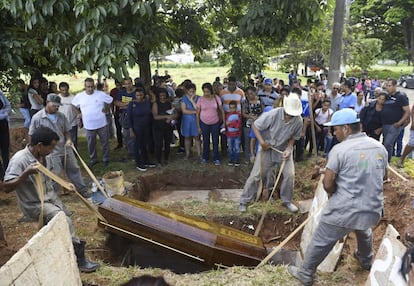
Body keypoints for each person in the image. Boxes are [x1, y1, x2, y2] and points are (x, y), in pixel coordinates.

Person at [288, 108, 388, 286]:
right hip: (373, 209)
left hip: (345, 209)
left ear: (347, 128)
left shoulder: (339, 150)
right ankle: (366, 260)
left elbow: (328, 183)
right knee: (363, 229)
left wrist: (334, 194)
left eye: (335, 129)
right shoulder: (379, 147)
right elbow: (384, 177)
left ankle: (305, 273)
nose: (333, 133)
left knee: (321, 239)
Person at [2, 127, 99, 272]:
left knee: (65, 216)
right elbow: (6, 187)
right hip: (34, 204)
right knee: (63, 219)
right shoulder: (20, 160)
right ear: (40, 145)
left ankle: (60, 251)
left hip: (51, 198)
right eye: (51, 147)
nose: (53, 150)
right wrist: (26, 173)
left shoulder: (44, 157)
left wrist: (65, 184)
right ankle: (79, 261)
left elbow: (49, 177)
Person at [239, 95, 303, 213]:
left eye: (292, 114)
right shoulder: (273, 114)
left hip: (283, 150)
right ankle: (244, 201)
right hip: (267, 148)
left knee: (290, 175)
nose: (289, 115)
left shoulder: (298, 121)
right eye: (288, 113)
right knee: (256, 175)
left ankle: (286, 201)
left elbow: (294, 137)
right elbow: (255, 126)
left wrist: (289, 149)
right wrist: (262, 143)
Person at [29, 94, 91, 198]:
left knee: (74, 168)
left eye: (58, 106)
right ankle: (54, 196)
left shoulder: (61, 116)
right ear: (47, 103)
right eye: (55, 106)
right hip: (50, 152)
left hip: (65, 148)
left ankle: (82, 190)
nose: (57, 108)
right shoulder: (37, 118)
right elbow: (32, 135)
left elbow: (67, 130)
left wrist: (69, 140)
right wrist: (36, 152)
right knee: (55, 174)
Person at [72, 78, 113, 167]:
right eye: (88, 87)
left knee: (105, 142)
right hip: (89, 125)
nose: (90, 89)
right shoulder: (80, 96)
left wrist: (106, 109)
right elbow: (73, 105)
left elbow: (110, 100)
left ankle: (106, 158)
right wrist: (79, 113)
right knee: (91, 143)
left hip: (102, 123)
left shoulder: (100, 94)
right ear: (85, 86)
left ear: (94, 86)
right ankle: (93, 159)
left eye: (92, 87)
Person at [382, 78, 410, 162]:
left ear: (395, 86)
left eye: (389, 85)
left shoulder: (401, 96)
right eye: (386, 85)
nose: (387, 87)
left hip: (394, 125)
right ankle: (383, 161)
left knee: (388, 144)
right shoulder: (388, 96)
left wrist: (400, 123)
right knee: (384, 144)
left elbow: (407, 112)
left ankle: (387, 162)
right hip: (385, 124)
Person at [127, 88, 154, 171]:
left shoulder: (146, 102)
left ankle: (146, 161)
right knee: (137, 145)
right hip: (136, 128)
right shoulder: (132, 104)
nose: (139, 97)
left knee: (145, 144)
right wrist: (131, 130)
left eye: (141, 95)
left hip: (146, 127)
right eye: (137, 95)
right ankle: (138, 163)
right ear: (135, 95)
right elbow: (129, 118)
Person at [196, 83, 224, 165]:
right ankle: (205, 157)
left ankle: (216, 158)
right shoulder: (200, 99)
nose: (206, 94)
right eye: (204, 92)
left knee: (215, 140)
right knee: (206, 140)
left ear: (211, 91)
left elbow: (221, 110)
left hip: (215, 122)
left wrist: (223, 122)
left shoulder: (216, 98)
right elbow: (197, 113)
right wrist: (198, 126)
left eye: (207, 91)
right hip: (204, 122)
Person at [152, 88, 175, 167]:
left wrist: (171, 117)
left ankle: (166, 158)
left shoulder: (169, 103)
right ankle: (158, 160)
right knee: (158, 144)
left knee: (167, 143)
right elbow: (155, 116)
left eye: (164, 95)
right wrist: (167, 116)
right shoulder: (156, 104)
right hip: (158, 127)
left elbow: (175, 113)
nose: (162, 97)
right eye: (161, 95)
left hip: (168, 127)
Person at [115, 77, 136, 157]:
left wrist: (124, 105)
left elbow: (138, 103)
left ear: (132, 83)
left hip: (136, 116)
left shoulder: (136, 92)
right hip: (125, 116)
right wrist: (128, 104)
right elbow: (117, 103)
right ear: (124, 85)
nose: (128, 85)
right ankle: (130, 152)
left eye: (129, 83)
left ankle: (138, 152)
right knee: (127, 135)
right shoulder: (122, 92)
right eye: (126, 84)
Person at [242, 86, 263, 163]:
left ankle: (257, 157)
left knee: (257, 140)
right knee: (247, 141)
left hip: (259, 124)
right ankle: (248, 157)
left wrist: (259, 118)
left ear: (255, 93)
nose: (250, 95)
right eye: (248, 94)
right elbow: (243, 113)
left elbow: (263, 111)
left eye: (251, 93)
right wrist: (250, 116)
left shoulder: (260, 100)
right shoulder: (245, 102)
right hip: (248, 124)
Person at [180, 83, 201, 160]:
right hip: (187, 121)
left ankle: (199, 154)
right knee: (187, 137)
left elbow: (198, 108)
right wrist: (195, 112)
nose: (191, 93)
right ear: (187, 91)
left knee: (197, 137)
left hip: (196, 120)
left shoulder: (199, 98)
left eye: (193, 91)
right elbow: (184, 111)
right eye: (190, 91)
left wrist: (192, 101)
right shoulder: (184, 98)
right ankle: (187, 153)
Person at [58, 82, 79, 149]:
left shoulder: (73, 97)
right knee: (61, 139)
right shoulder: (57, 98)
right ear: (60, 90)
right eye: (62, 90)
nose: (64, 92)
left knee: (73, 139)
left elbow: (77, 109)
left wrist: (79, 119)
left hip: (72, 122)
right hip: (61, 122)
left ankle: (73, 153)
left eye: (66, 90)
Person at [226, 101, 242, 167]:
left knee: (237, 147)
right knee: (230, 147)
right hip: (229, 135)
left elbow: (238, 125)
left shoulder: (238, 115)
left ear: (236, 108)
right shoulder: (227, 115)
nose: (232, 109)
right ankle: (231, 159)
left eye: (233, 108)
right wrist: (233, 122)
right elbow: (226, 124)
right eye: (230, 108)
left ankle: (237, 159)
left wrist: (231, 123)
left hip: (237, 135)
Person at [0, 90, 11, 180]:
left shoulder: (0, 93)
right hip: (2, 118)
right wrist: (3, 113)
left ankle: (8, 171)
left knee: (5, 147)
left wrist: (4, 113)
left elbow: (8, 106)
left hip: (3, 123)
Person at [110, 79, 123, 150]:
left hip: (124, 111)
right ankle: (120, 143)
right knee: (118, 128)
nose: (119, 86)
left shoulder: (124, 90)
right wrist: (112, 111)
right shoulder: (113, 91)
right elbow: (112, 102)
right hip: (117, 112)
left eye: (120, 84)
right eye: (117, 85)